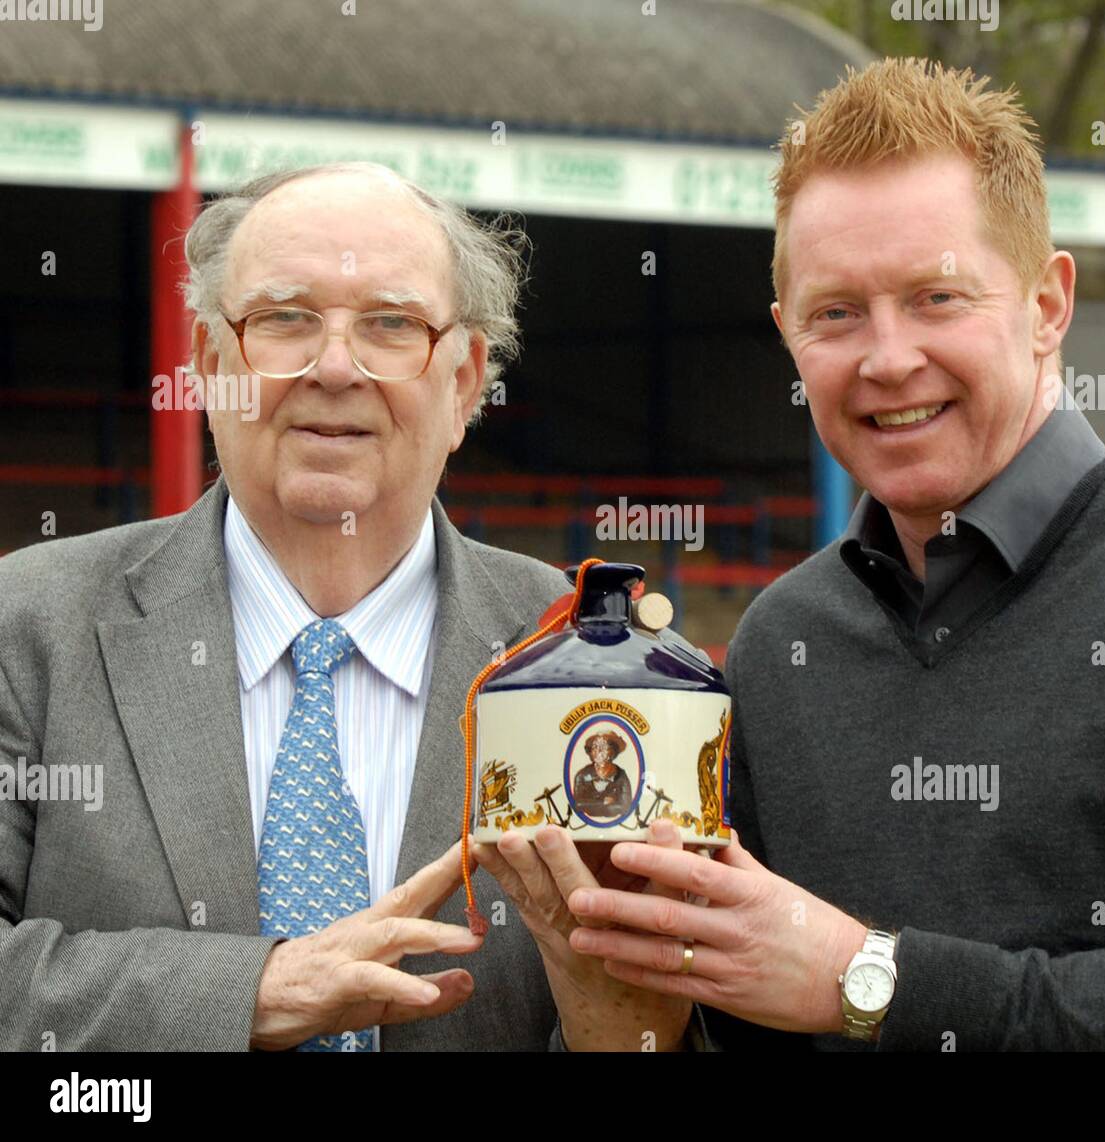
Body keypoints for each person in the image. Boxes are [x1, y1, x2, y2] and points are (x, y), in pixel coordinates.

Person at [554, 58, 1105, 1051]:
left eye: (937, 296)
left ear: (1046, 304)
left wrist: (867, 977)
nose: (888, 357)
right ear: (787, 335)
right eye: (835, 312)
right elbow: (754, 1022)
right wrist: (615, 998)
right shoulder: (780, 640)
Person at [0, 161, 682, 1052]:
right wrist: (253, 994)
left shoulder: (592, 663)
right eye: (284, 319)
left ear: (466, 381)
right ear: (212, 363)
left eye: (392, 325)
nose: (333, 365)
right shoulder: (28, 624)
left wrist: (615, 1008)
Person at [570, 732, 634, 818]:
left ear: (612, 752)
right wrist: (602, 802)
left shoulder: (621, 775)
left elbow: (626, 806)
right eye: (595, 747)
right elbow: (578, 804)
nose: (598, 751)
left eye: (603, 747)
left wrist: (593, 806)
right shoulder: (582, 775)